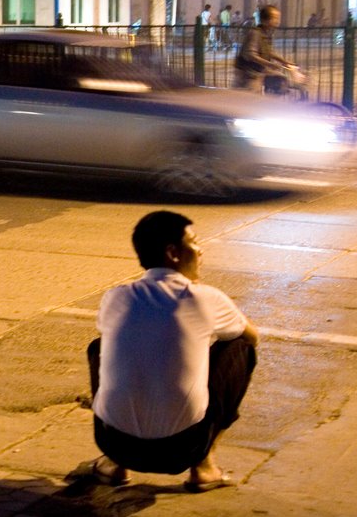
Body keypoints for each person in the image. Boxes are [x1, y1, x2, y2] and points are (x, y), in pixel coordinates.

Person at [76, 211, 259, 492]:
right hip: (183, 450)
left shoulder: (116, 296)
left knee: (101, 347)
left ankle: (113, 464)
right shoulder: (204, 297)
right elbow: (252, 336)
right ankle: (205, 466)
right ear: (173, 253)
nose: (201, 250)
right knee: (240, 348)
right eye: (194, 242)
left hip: (115, 442)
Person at [233, 4, 292, 93]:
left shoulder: (267, 34)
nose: (277, 21)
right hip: (248, 74)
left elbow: (269, 52)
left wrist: (284, 61)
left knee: (281, 80)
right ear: (265, 20)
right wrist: (270, 64)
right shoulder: (255, 33)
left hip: (258, 71)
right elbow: (251, 55)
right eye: (275, 18)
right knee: (251, 99)